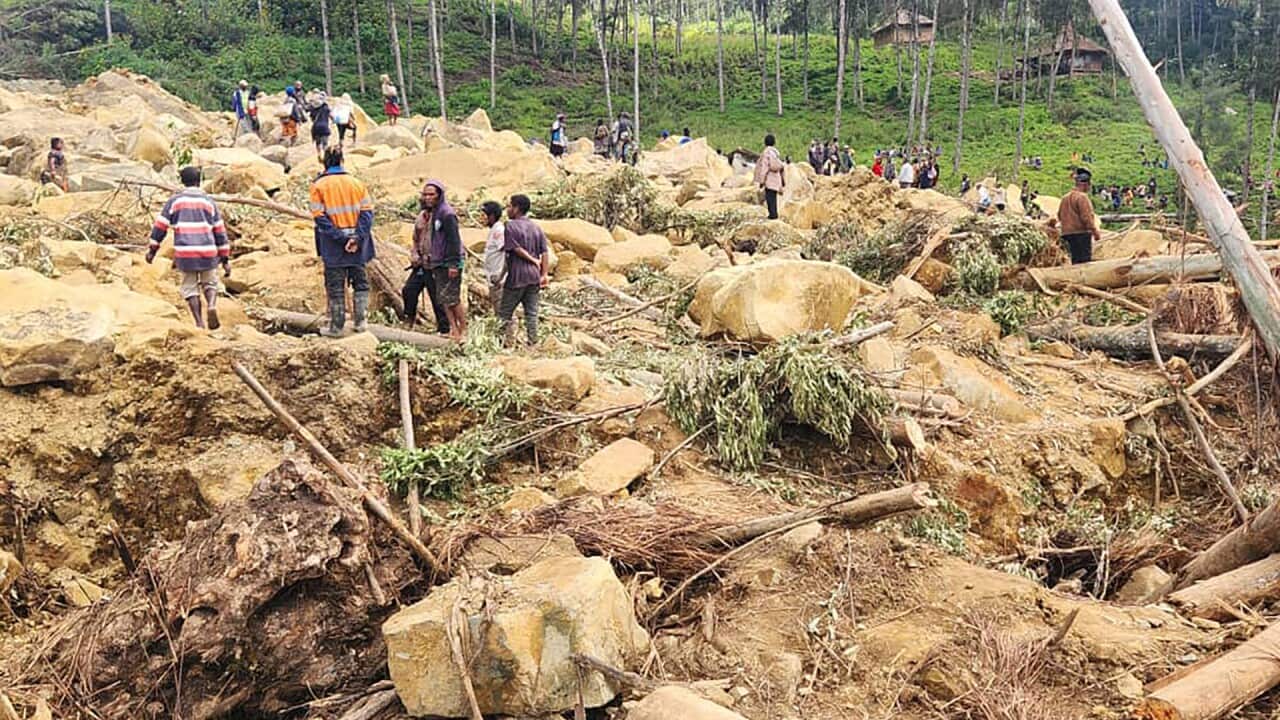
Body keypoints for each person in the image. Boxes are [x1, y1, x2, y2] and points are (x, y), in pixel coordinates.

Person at [146, 166, 230, 330]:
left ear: (182, 182)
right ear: (199, 182)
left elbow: (160, 227)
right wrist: (225, 258)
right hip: (208, 251)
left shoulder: (175, 201)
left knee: (190, 287)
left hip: (185, 253)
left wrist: (152, 250)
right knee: (210, 282)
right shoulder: (209, 202)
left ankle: (199, 322)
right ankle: (211, 305)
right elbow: (220, 231)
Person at [310, 147, 375, 336]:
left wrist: (341, 237)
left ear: (324, 162)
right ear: (342, 161)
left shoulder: (318, 186)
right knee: (361, 283)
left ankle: (336, 327)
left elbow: (319, 217)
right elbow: (367, 214)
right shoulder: (356, 183)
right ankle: (361, 322)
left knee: (336, 285)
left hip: (333, 245)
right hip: (358, 245)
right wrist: (356, 237)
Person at [404, 180, 466, 341]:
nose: (427, 198)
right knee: (417, 292)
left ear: (439, 195)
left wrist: (453, 263)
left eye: (431, 194)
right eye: (425, 194)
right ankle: (451, 329)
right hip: (427, 263)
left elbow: (454, 241)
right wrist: (416, 254)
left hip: (445, 263)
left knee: (448, 298)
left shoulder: (446, 214)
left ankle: (457, 330)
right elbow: (416, 239)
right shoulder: (424, 217)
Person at [497, 194, 550, 346]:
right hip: (534, 277)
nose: (507, 210)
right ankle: (533, 343)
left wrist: (532, 259)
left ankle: (497, 342)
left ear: (516, 208)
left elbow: (515, 249)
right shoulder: (536, 227)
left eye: (509, 206)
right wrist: (544, 274)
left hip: (517, 276)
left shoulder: (510, 226)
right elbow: (545, 252)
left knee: (504, 314)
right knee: (531, 313)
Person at [1058, 169, 1101, 264]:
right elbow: (1087, 218)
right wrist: (1095, 232)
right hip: (1081, 234)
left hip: (1067, 234)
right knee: (1084, 262)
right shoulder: (1082, 197)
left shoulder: (1065, 198)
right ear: (1085, 184)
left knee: (1075, 261)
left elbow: (1060, 216)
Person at [480, 201, 507, 314]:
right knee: (498, 309)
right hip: (493, 277)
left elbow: (506, 249)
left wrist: (501, 275)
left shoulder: (498, 230)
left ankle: (508, 331)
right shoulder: (493, 230)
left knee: (503, 311)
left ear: (491, 216)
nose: (481, 218)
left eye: (483, 215)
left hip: (498, 277)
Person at [753, 134, 785, 220]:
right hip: (776, 178)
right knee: (773, 198)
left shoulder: (766, 153)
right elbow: (780, 167)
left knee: (769, 198)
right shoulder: (775, 153)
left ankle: (772, 215)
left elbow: (764, 167)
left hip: (769, 179)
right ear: (774, 143)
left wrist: (762, 180)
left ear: (765, 143)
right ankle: (774, 214)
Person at [308, 91, 333, 162]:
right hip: (324, 127)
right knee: (325, 144)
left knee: (318, 143)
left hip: (316, 128)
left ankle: (319, 154)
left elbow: (311, 118)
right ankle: (325, 156)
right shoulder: (326, 107)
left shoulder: (313, 109)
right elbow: (331, 116)